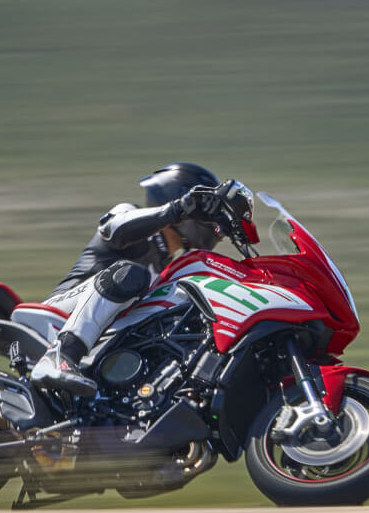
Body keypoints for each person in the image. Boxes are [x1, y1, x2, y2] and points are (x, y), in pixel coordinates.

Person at [28, 162, 225, 397]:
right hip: (60, 314)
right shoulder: (129, 216)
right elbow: (114, 230)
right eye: (206, 210)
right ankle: (60, 355)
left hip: (103, 338)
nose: (211, 221)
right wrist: (179, 208)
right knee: (130, 274)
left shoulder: (168, 268)